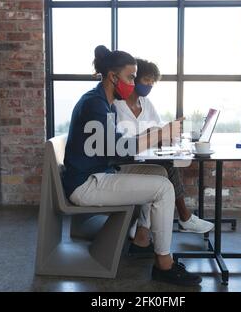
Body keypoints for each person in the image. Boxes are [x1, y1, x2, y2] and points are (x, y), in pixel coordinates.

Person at [62, 45, 202, 286]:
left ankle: (143, 238)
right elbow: (118, 148)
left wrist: (154, 134)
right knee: (163, 188)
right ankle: (164, 263)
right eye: (130, 77)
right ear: (112, 77)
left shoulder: (103, 101)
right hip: (85, 184)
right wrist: (159, 134)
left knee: (160, 173)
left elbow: (113, 145)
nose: (133, 83)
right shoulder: (95, 104)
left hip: (98, 173)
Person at [114, 58, 214, 235]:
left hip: (142, 157)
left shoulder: (145, 104)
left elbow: (159, 130)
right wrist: (153, 135)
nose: (150, 85)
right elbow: (121, 143)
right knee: (166, 167)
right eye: (146, 80)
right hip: (123, 161)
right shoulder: (116, 105)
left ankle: (145, 227)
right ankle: (184, 219)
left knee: (166, 165)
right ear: (134, 79)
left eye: (153, 82)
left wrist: (169, 131)